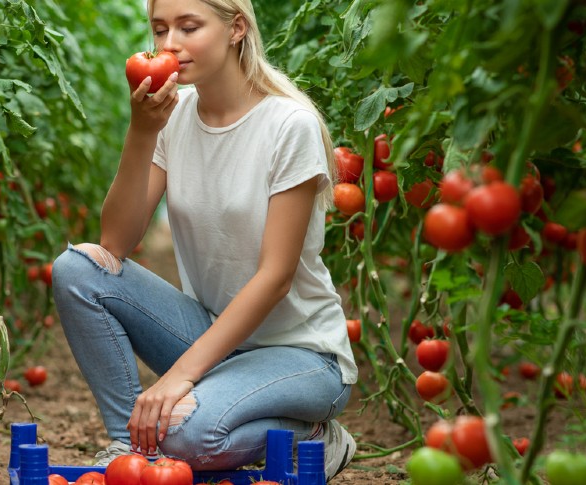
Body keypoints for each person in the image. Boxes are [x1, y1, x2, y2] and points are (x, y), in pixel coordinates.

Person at [51, 0, 358, 479]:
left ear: (236, 27)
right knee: (78, 269)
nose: (169, 44)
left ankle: (316, 434)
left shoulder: (287, 126)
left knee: (188, 437)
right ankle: (127, 447)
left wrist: (177, 378)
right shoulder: (173, 116)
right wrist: (142, 131)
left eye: (188, 27)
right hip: (215, 332)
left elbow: (275, 278)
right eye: (159, 29)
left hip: (304, 356)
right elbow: (114, 242)